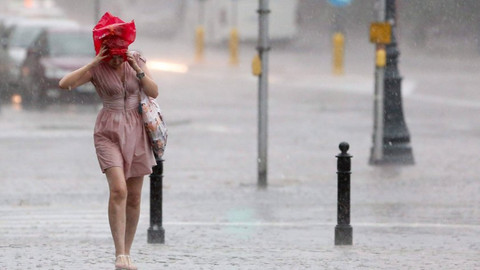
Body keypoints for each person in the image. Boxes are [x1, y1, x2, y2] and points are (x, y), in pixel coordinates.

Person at [59, 13, 158, 270]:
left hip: (137, 130)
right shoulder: (97, 69)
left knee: (134, 196)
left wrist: (136, 70)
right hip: (108, 131)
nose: (116, 60)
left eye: (119, 55)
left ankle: (127, 251)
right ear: (105, 51)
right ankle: (119, 254)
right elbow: (64, 84)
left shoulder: (135, 60)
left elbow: (154, 91)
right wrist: (93, 63)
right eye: (112, 55)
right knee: (119, 190)